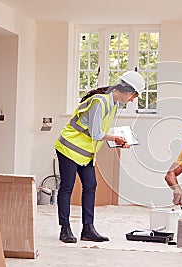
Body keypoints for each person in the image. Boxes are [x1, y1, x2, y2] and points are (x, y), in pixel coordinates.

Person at [54, 71, 145, 243]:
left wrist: (119, 141)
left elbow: (100, 131)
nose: (133, 100)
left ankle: (88, 229)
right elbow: (96, 133)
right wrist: (115, 138)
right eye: (134, 96)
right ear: (127, 91)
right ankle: (65, 229)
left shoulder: (113, 104)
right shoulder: (99, 102)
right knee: (67, 187)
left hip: (85, 152)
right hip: (69, 147)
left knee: (90, 185)